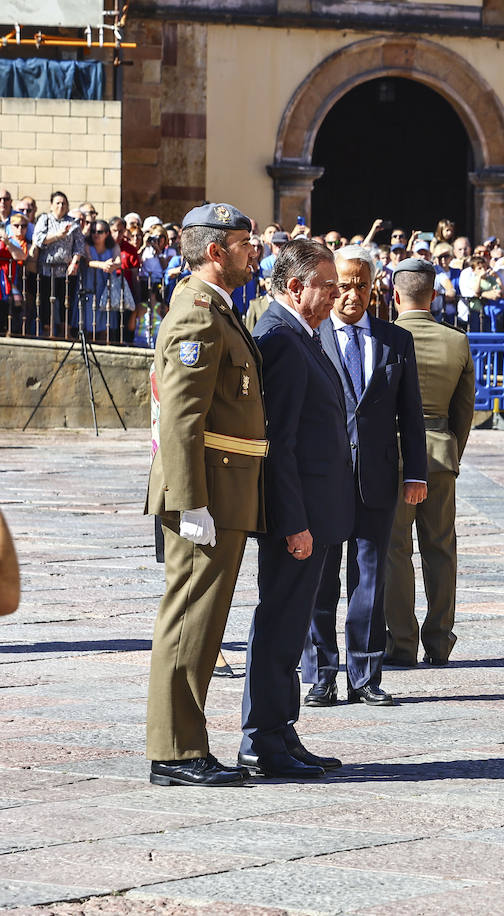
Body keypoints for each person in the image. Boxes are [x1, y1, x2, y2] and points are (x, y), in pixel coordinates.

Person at [144, 202, 265, 788]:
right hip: (206, 493)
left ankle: (184, 744)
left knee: (205, 623)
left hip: (221, 489)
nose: (255, 251)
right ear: (215, 251)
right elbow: (180, 419)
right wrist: (190, 502)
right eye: (246, 242)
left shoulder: (218, 311)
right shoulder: (197, 316)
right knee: (190, 619)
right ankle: (176, 750)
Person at [240, 239, 354, 779]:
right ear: (294, 287)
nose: (339, 294)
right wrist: (294, 522)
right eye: (327, 284)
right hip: (298, 517)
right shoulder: (282, 340)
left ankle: (283, 731)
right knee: (280, 623)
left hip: (316, 512)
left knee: (291, 627)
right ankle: (262, 740)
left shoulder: (303, 335)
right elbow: (278, 441)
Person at [302, 247, 428, 708]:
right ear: (330, 286)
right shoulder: (310, 338)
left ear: (375, 287)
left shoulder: (395, 341)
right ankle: (321, 673)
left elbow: (410, 415)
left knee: (371, 577)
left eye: (361, 284)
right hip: (324, 479)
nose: (352, 294)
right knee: (320, 579)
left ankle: (366, 672)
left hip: (377, 477)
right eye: (343, 284)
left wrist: (416, 472)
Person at [382, 258, 477, 665]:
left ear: (394, 295)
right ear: (434, 295)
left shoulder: (385, 337)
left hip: (393, 453)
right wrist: (451, 449)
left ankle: (401, 643)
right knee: (440, 548)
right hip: (439, 452)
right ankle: (439, 641)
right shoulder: (456, 341)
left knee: (395, 551)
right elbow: (465, 409)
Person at [31, 190, 84, 338]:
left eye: (64, 203)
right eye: (58, 203)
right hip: (47, 269)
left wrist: (74, 262)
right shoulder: (45, 219)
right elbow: (38, 239)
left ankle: (64, 332)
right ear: (51, 205)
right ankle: (48, 331)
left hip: (66, 270)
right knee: (46, 301)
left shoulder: (73, 222)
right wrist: (57, 236)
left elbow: (79, 245)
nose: (61, 206)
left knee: (65, 302)